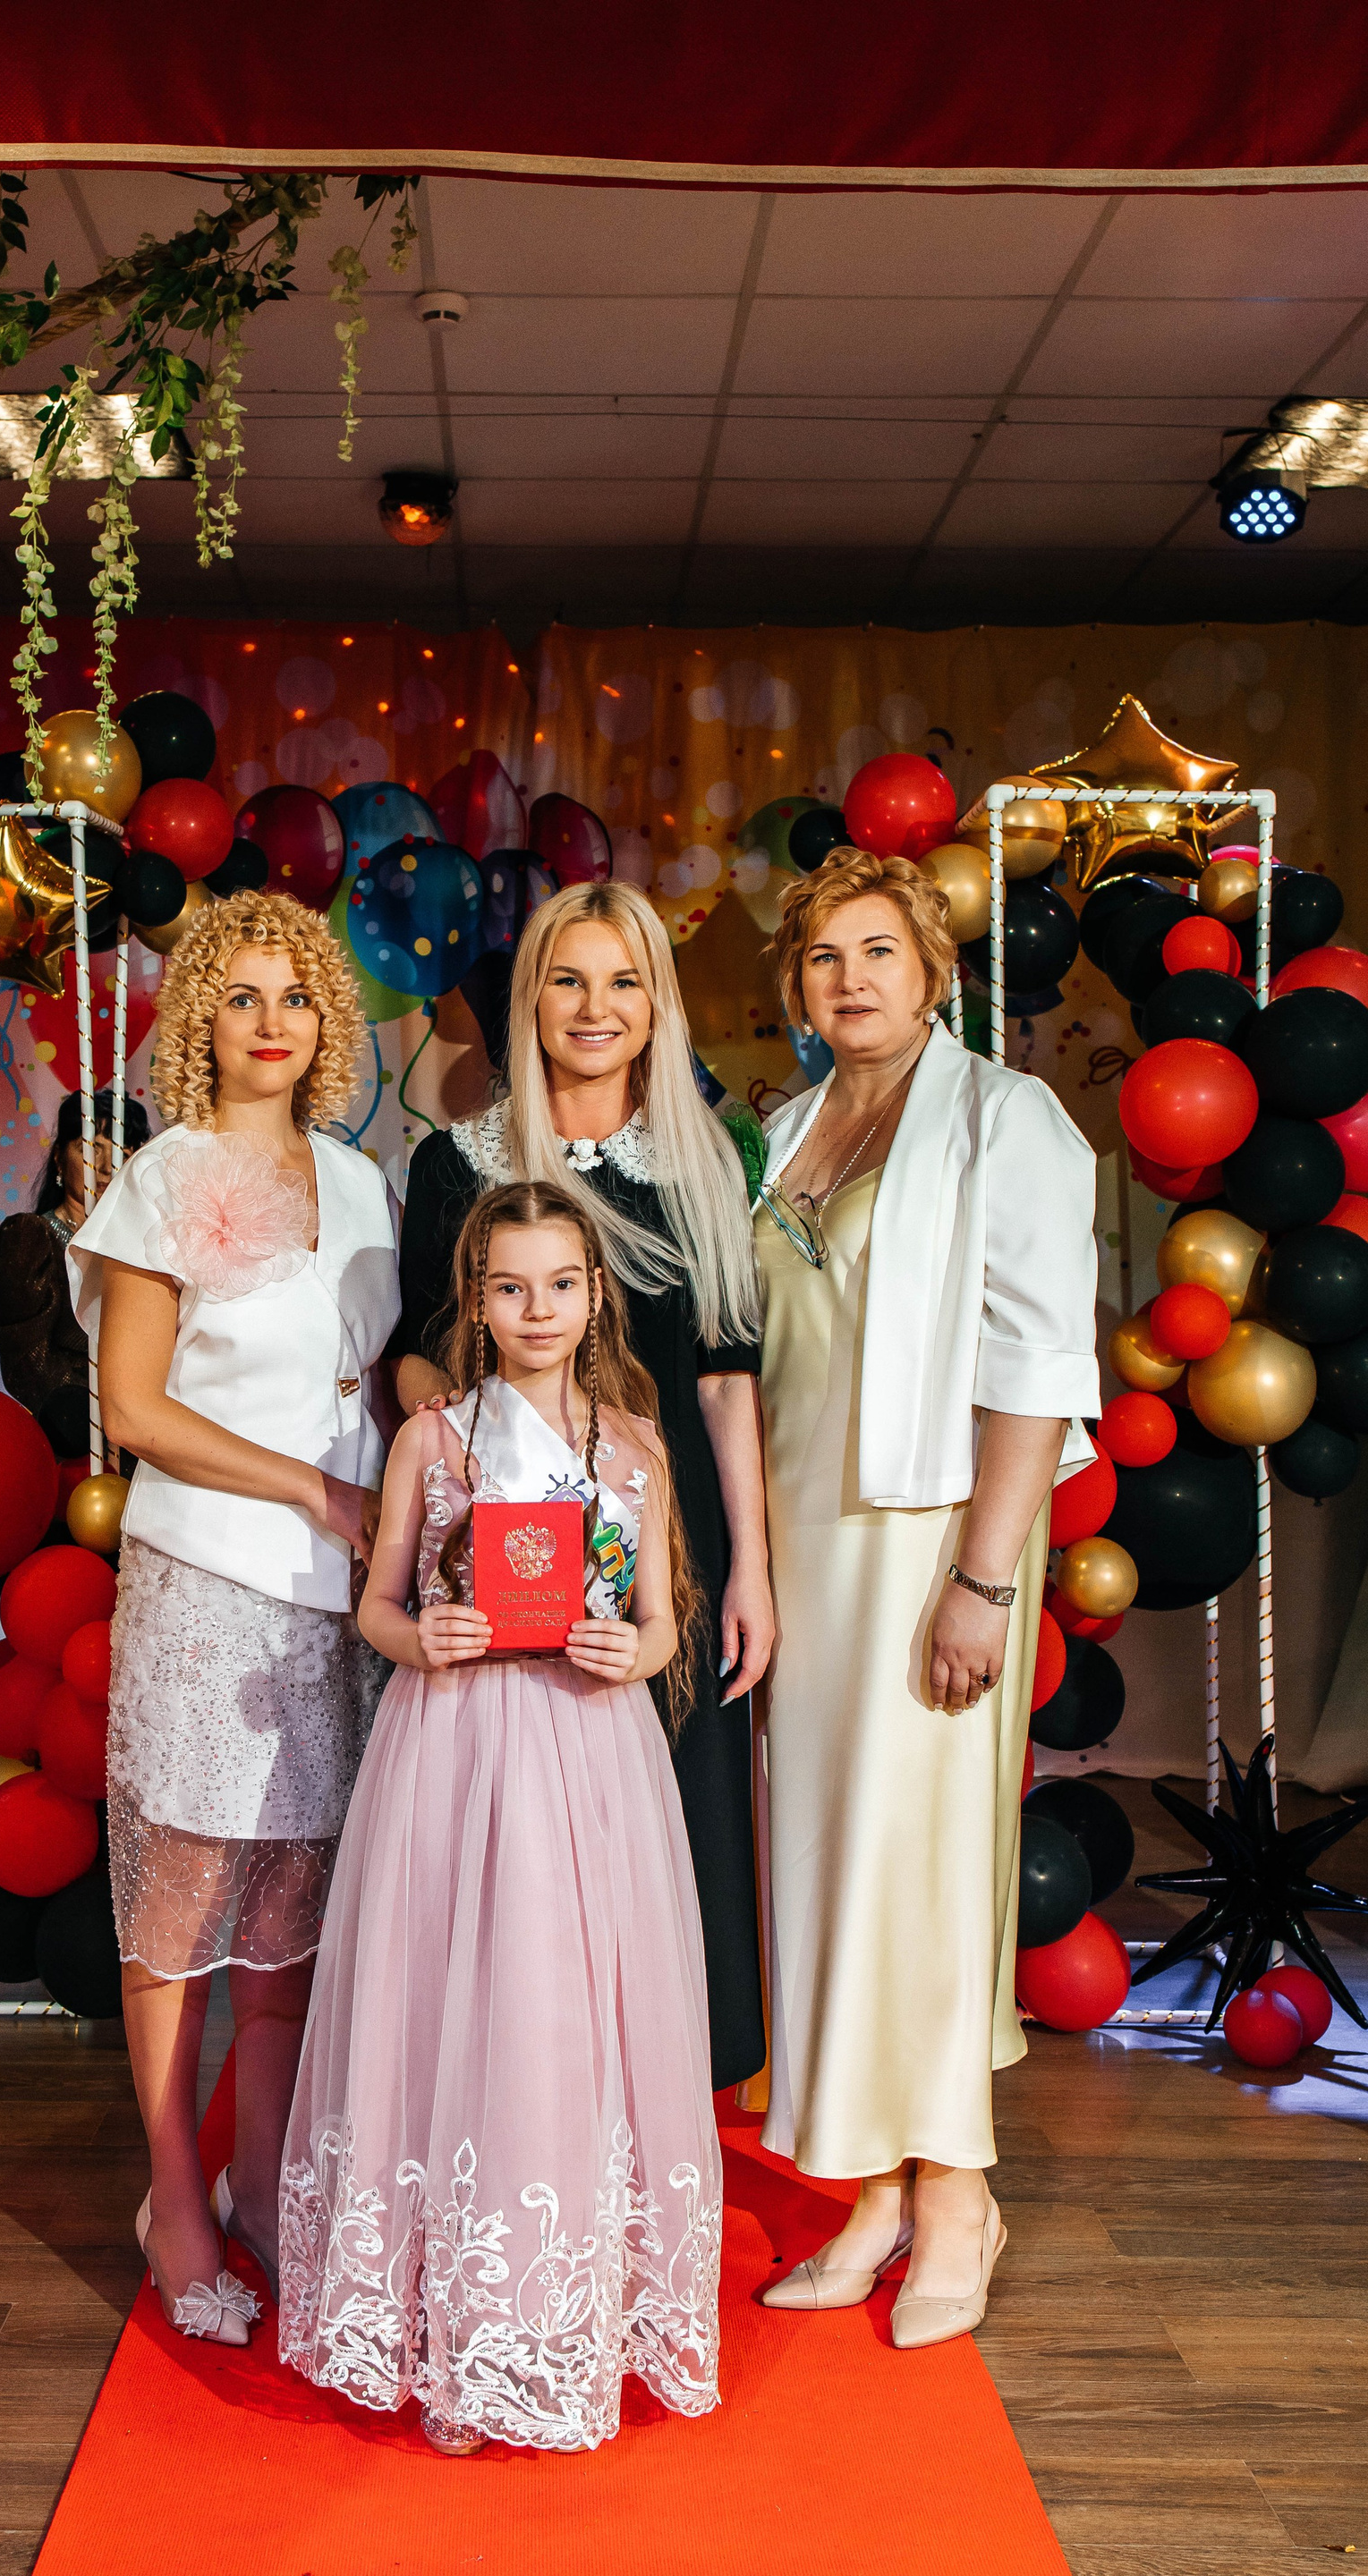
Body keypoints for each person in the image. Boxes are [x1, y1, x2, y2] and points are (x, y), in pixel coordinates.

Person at [280, 1180, 722, 2453]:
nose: (539, 1310)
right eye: (511, 1287)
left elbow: (661, 1624)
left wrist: (632, 1653)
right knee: (452, 2006)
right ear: (475, 1301)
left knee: (565, 2012)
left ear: (596, 1298)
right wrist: (421, 1637)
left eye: (562, 1285)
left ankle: (557, 2325)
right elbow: (375, 1607)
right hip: (456, 1748)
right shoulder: (435, 1441)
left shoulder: (633, 1445)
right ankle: (454, 2333)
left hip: (591, 1754)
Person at [752, 847, 1098, 2350]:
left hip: (928, 1540)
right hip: (802, 1544)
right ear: (797, 983)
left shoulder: (1004, 1118)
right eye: (824, 955)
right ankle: (876, 2194)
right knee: (837, 1870)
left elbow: (1040, 1359)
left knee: (932, 1867)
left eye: (878, 950)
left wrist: (983, 1576)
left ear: (934, 969)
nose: (851, 978)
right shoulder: (784, 1129)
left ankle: (960, 2196)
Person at [67, 890, 397, 2345]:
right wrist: (317, 1491)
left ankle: (261, 2183)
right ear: (200, 1013)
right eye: (244, 995)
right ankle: (173, 2201)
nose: (273, 1023)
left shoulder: (368, 1185)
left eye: (298, 997)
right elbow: (135, 1412)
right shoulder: (162, 1179)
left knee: (291, 1920)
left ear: (329, 1022)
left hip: (339, 1606)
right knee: (182, 1913)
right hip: (208, 1584)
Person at [390, 879, 772, 2091]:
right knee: (520, 1834)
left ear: (658, 1005)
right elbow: (416, 1353)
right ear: (530, 1001)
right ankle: (525, 2089)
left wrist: (751, 1572)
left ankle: (658, 2098)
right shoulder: (457, 1165)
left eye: (623, 981)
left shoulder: (706, 1165)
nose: (594, 1007)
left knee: (679, 1810)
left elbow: (727, 1382)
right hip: (510, 1541)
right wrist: (465, 1470)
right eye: (567, 979)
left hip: (671, 1540)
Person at [0, 1089, 149, 1436]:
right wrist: (99, 1420)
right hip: (73, 1437)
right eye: (91, 1148)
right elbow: (29, 1365)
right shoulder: (31, 1237)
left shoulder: (146, 1248)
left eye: (121, 1151)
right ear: (59, 1158)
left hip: (144, 1436)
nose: (105, 1166)